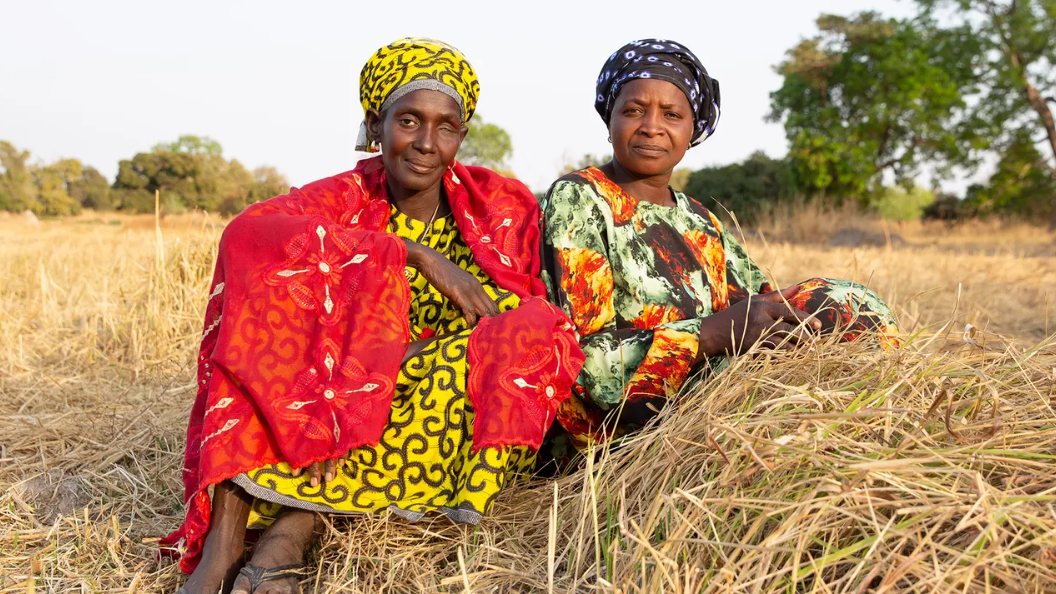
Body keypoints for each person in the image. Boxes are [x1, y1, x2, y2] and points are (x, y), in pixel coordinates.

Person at [165, 38, 584, 594]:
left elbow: (514, 317)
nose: (427, 144)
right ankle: (225, 540)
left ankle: (295, 522)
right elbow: (246, 235)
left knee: (536, 334)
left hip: (428, 392)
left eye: (447, 127)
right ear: (375, 122)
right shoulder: (343, 197)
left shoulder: (499, 205)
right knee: (261, 312)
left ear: (462, 134)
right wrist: (410, 254)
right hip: (323, 394)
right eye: (408, 120)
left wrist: (378, 374)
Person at [539, 39, 899, 458]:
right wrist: (709, 335)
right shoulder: (580, 199)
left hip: (710, 387)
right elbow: (582, 364)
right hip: (621, 424)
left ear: (693, 131)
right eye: (633, 110)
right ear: (610, 120)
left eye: (672, 114)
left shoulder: (699, 218)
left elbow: (759, 306)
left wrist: (792, 321)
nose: (652, 126)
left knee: (847, 306)